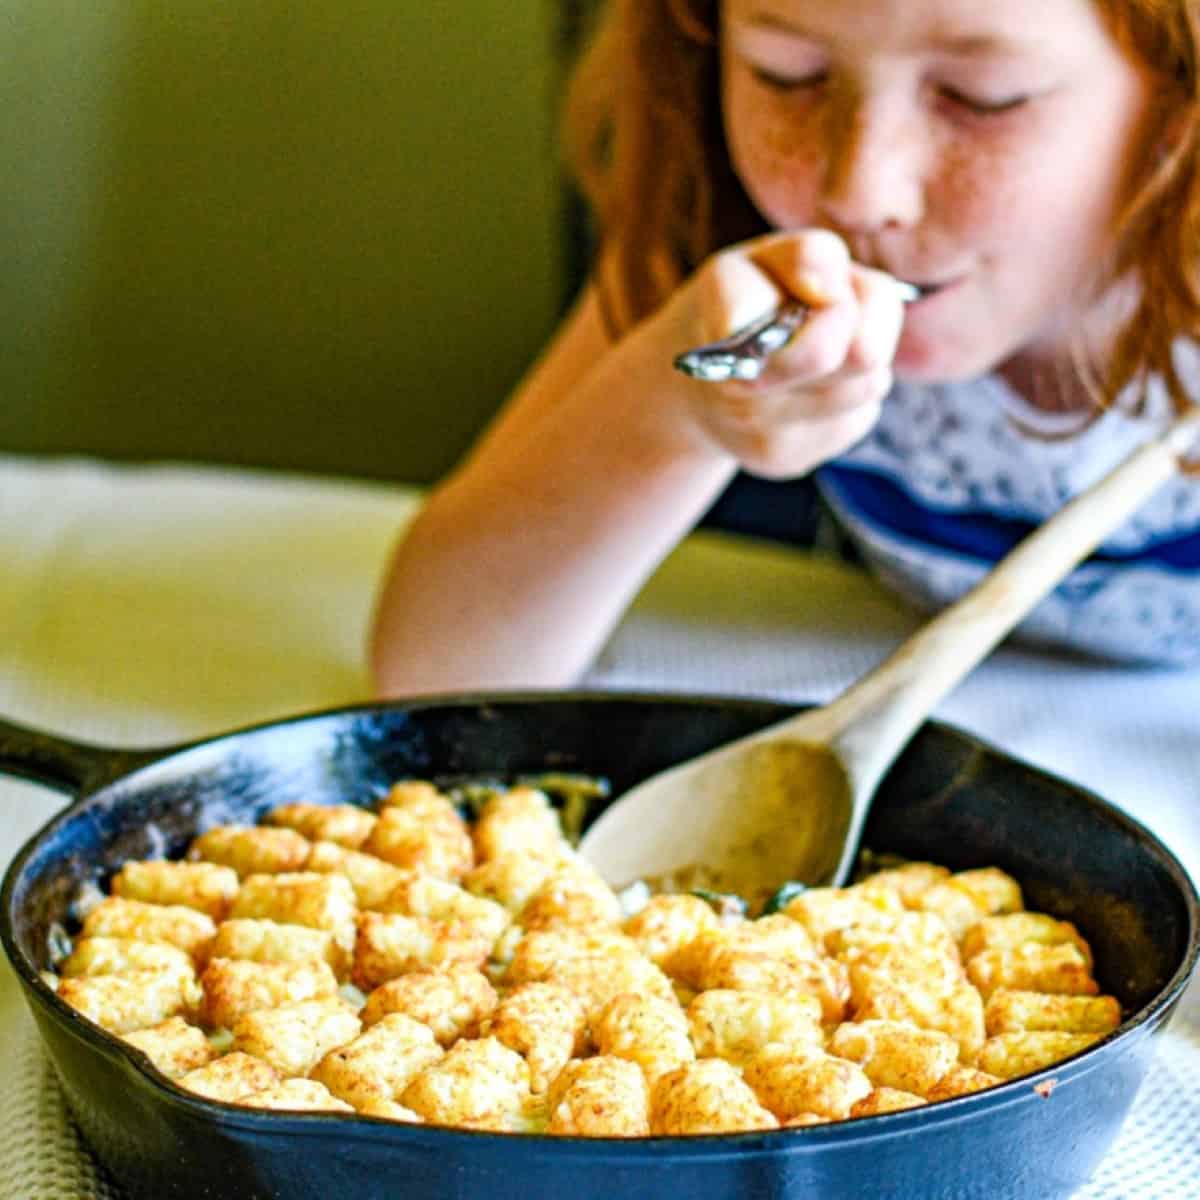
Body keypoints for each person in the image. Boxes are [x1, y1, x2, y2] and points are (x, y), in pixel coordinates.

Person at [371, 0, 1200, 697]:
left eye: (982, 97)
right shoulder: (723, 237)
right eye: (786, 74)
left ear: (1180, 92)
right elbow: (438, 672)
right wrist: (678, 410)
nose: (858, 191)